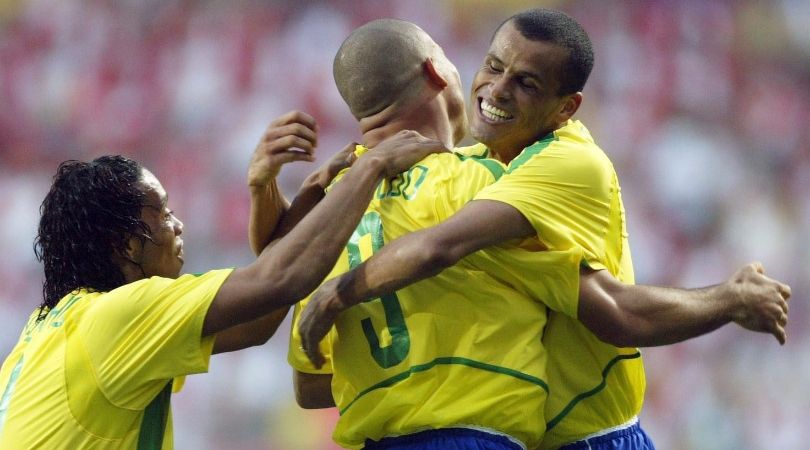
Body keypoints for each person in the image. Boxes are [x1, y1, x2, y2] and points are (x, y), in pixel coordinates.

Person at [296, 9, 791, 450]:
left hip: (590, 435)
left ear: (566, 107)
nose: (496, 90)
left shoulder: (567, 164)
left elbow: (612, 309)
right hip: (515, 434)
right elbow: (316, 381)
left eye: (527, 83)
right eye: (493, 66)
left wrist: (730, 299)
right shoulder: (465, 168)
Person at [0, 113, 445, 449]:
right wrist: (370, 169)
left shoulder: (46, 331)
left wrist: (306, 192)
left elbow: (259, 320)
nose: (178, 225)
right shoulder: (118, 316)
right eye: (162, 212)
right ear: (125, 246)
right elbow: (282, 279)